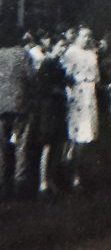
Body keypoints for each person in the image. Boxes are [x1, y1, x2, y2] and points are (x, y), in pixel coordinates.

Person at [62, 27, 100, 189]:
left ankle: (78, 173)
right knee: (73, 135)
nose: (87, 39)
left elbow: (97, 77)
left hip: (89, 95)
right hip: (76, 95)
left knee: (86, 135)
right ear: (76, 37)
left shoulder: (92, 54)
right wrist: (69, 94)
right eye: (84, 36)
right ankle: (69, 173)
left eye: (89, 36)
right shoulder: (71, 53)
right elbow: (65, 77)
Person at [0, 42, 35, 200]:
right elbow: (31, 77)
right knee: (21, 145)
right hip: (20, 105)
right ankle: (19, 184)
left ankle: (2, 184)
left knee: (1, 147)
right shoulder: (23, 54)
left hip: (1, 106)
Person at [36, 35, 69, 197]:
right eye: (61, 46)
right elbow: (41, 87)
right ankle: (43, 182)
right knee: (48, 146)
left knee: (57, 146)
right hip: (48, 109)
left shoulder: (59, 65)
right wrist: (58, 91)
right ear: (54, 46)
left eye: (65, 47)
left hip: (58, 108)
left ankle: (52, 180)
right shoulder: (47, 63)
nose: (63, 49)